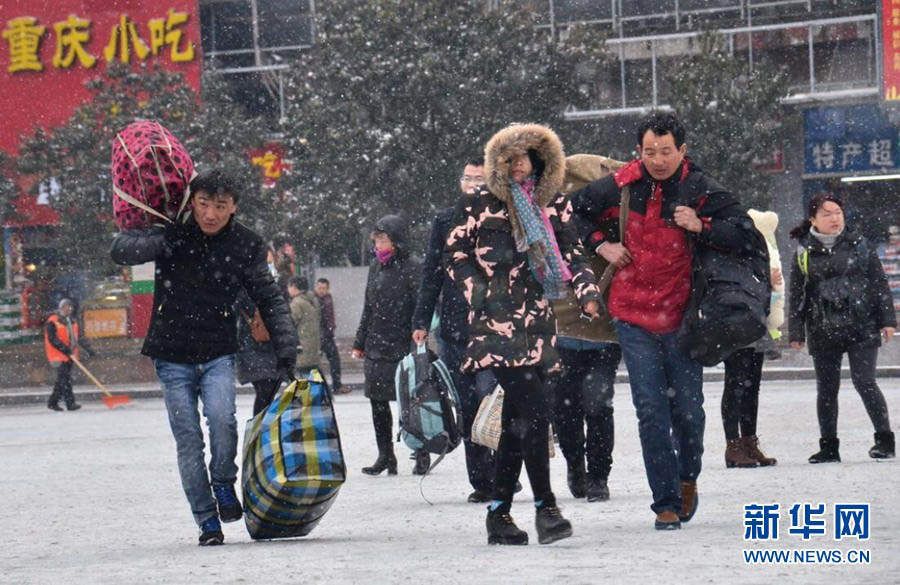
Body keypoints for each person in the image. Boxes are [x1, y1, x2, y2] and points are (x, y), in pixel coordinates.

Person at [571, 112, 757, 530]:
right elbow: (570, 213)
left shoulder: (700, 187)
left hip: (683, 317)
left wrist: (701, 225)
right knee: (651, 411)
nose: (657, 160)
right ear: (638, 151)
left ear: (682, 150)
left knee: (689, 412)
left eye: (666, 151)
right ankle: (665, 501)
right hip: (631, 316)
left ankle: (687, 477)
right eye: (649, 152)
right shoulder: (621, 184)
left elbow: (745, 234)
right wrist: (601, 245)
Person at [110, 169, 298, 546]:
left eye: (221, 206)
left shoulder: (246, 244)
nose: (210, 214)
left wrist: (286, 348)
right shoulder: (173, 231)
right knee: (188, 438)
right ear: (192, 202)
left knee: (222, 420)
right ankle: (206, 518)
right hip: (170, 353)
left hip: (218, 351)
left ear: (234, 207)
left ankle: (223, 482)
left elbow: (268, 297)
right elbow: (120, 250)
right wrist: (161, 237)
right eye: (204, 204)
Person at [445, 123, 602, 546]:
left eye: (526, 158)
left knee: (518, 420)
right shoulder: (480, 203)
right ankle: (546, 508)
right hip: (495, 326)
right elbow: (454, 252)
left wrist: (588, 293)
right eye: (510, 158)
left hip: (538, 324)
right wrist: (478, 292)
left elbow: (572, 252)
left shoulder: (554, 204)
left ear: (540, 161)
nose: (518, 166)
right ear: (497, 163)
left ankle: (499, 513)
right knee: (535, 411)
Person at [412, 156, 497, 503]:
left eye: (480, 179)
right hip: (455, 327)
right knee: (467, 405)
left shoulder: (503, 217)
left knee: (492, 400)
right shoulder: (445, 220)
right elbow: (432, 272)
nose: (473, 185)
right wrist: (421, 320)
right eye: (467, 178)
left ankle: (502, 471)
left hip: (495, 327)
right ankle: (482, 480)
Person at [788, 193, 896, 462]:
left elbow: (879, 283)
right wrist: (796, 331)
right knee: (826, 389)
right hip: (822, 326)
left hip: (861, 324)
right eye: (826, 214)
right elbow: (797, 294)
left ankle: (885, 441)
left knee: (865, 381)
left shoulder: (860, 244)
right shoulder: (803, 251)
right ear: (813, 219)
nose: (834, 218)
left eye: (837, 212)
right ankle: (829, 447)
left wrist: (887, 320)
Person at [353, 215, 422, 476]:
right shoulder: (376, 267)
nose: (378, 245)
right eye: (376, 240)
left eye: (383, 239)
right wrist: (360, 341)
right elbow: (368, 307)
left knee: (411, 402)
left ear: (396, 240)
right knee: (378, 403)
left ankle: (421, 451)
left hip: (403, 344)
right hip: (376, 344)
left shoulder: (412, 267)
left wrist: (418, 332)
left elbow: (420, 305)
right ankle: (386, 456)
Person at [721, 209, 784, 468]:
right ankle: (733, 444)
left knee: (751, 385)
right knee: (735, 383)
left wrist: (767, 282)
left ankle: (749, 441)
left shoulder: (757, 251)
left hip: (756, 321)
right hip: (732, 322)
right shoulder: (722, 251)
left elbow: (769, 288)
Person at [233, 289, 281, 416]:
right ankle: (260, 423)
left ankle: (261, 423)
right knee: (265, 391)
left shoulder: (267, 291)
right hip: (253, 348)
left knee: (266, 392)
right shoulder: (245, 293)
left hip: (264, 348)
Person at [44, 298, 96, 412]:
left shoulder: (72, 321)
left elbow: (78, 338)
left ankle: (53, 402)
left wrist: (88, 349)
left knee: (62, 380)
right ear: (60, 308)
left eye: (69, 307)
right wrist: (64, 349)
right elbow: (52, 339)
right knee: (65, 379)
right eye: (65, 307)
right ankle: (70, 403)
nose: (68, 309)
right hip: (57, 355)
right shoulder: (53, 321)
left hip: (69, 355)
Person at [315, 278, 349, 394]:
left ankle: (336, 385)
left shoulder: (327, 298)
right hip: (320, 336)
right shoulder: (315, 300)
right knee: (322, 361)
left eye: (324, 288)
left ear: (328, 289)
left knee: (334, 360)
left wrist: (331, 328)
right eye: (319, 288)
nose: (321, 290)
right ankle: (334, 386)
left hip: (327, 335)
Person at [287, 276, 322, 380]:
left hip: (302, 347)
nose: (288, 290)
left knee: (303, 378)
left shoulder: (296, 303)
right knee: (312, 375)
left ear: (294, 287)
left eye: (289, 287)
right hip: (313, 346)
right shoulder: (313, 300)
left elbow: (290, 323)